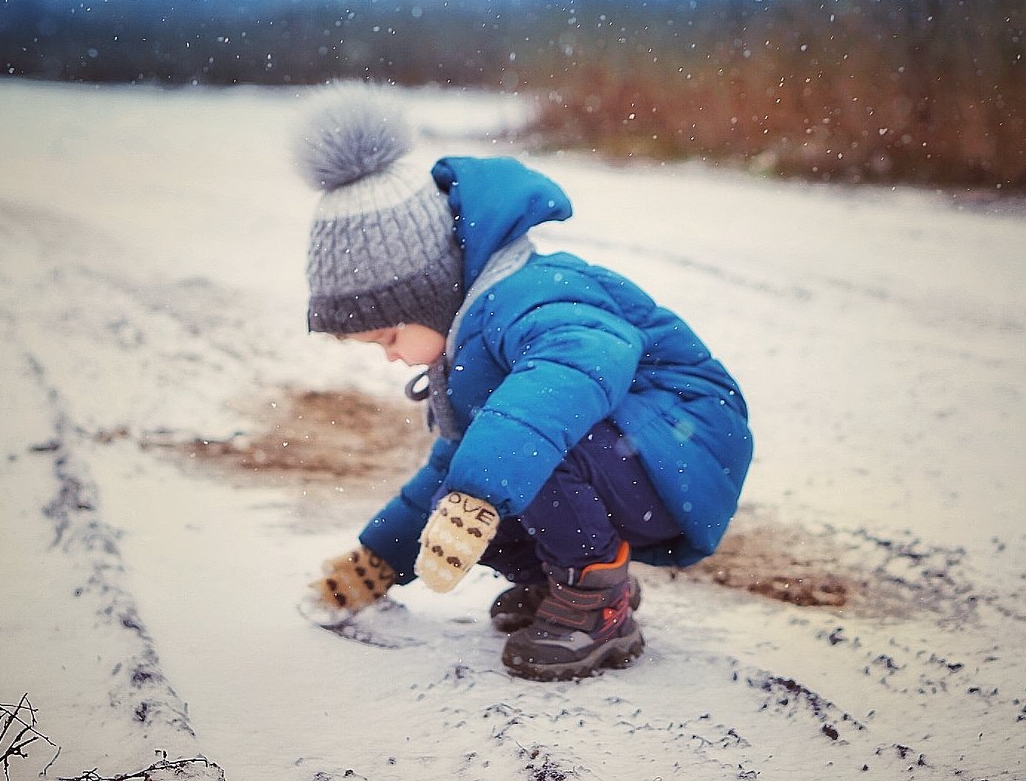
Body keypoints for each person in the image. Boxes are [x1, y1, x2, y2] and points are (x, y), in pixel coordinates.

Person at [301, 81, 753, 681]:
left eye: (389, 338)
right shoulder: (467, 339)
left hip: (685, 442)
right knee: (468, 487)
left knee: (524, 446)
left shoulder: (529, 294)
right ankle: (558, 578)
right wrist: (380, 557)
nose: (390, 357)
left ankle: (597, 602)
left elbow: (581, 364)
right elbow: (455, 464)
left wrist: (478, 492)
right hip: (637, 452)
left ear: (430, 295)